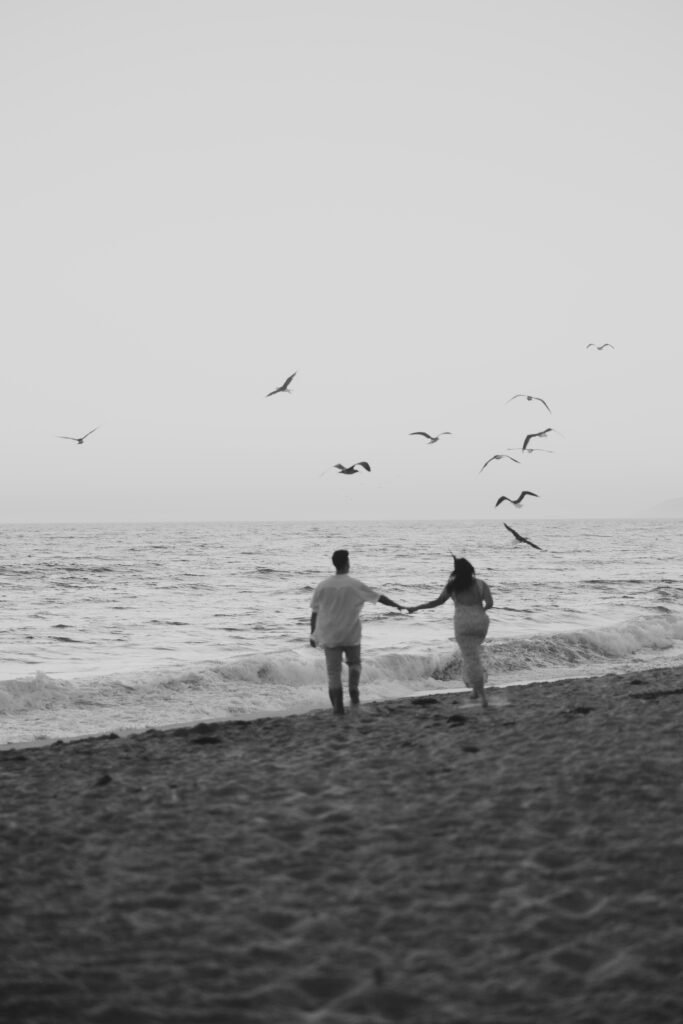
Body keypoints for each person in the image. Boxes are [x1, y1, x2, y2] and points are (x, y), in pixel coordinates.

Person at [310, 549, 403, 714]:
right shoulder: (354, 584)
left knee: (333, 674)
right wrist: (397, 605)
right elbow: (378, 597)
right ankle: (354, 693)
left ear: (334, 564)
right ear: (347, 564)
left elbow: (315, 612)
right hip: (351, 634)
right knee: (355, 665)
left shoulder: (322, 586)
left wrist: (312, 634)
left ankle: (338, 710)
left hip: (329, 635)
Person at [407, 557, 493, 707]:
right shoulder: (481, 584)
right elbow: (490, 603)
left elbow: (436, 602)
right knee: (473, 655)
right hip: (480, 623)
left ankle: (483, 697)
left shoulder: (452, 586)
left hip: (463, 624)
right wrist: (480, 612)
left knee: (472, 659)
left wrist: (416, 607)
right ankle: (474, 691)